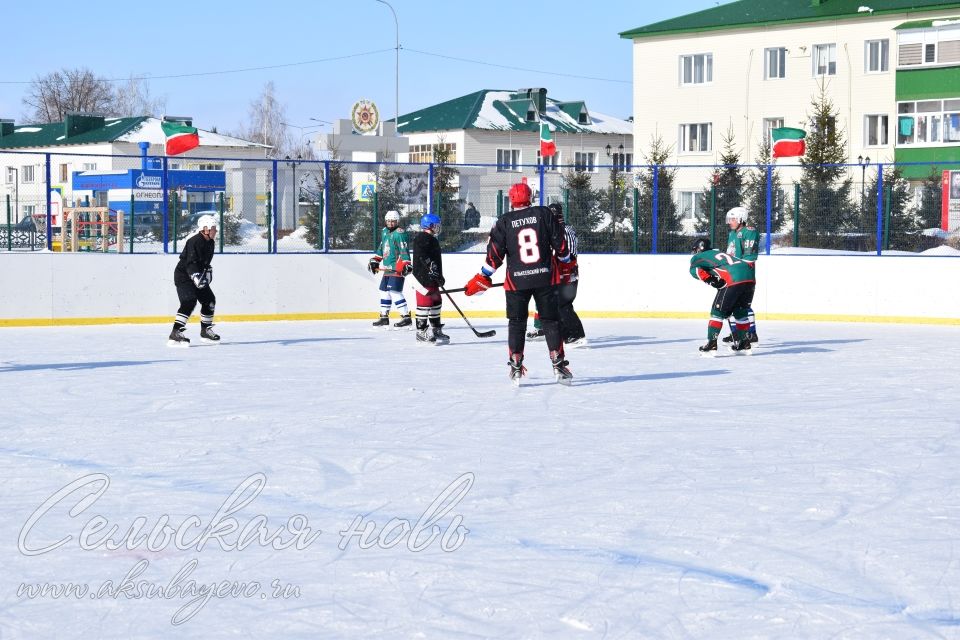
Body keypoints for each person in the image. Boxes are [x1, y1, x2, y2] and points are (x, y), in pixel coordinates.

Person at [464, 181, 574, 385]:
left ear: (511, 200)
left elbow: (495, 255)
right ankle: (558, 365)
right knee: (550, 321)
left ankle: (515, 365)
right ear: (530, 197)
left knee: (517, 323)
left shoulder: (504, 221)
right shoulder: (543, 213)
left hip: (516, 282)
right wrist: (567, 262)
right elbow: (560, 245)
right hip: (545, 278)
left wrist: (483, 276)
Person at [526, 203, 586, 347]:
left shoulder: (566, 231)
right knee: (555, 305)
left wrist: (561, 269)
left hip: (568, 275)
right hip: (556, 275)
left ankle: (576, 335)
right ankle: (565, 334)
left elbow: (569, 256)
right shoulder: (551, 231)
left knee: (563, 305)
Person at [690, 238, 756, 354]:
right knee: (740, 312)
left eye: (695, 250)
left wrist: (712, 280)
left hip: (733, 279)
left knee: (717, 313)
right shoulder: (717, 252)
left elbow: (694, 270)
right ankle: (744, 343)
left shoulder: (698, 257)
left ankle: (711, 344)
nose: (694, 253)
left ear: (699, 248)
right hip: (750, 278)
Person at [168, 215, 220, 346]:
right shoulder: (194, 241)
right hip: (184, 276)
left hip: (198, 276)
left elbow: (204, 261)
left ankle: (205, 331)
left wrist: (207, 270)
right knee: (189, 301)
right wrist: (195, 275)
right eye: (213, 228)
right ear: (205, 229)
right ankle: (175, 333)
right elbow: (190, 262)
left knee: (209, 301)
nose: (216, 230)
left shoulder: (210, 243)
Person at [400, 213, 449, 345]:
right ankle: (421, 332)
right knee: (425, 303)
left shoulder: (432, 239)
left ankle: (436, 329)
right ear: (430, 226)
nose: (438, 228)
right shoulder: (421, 238)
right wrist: (430, 266)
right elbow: (422, 256)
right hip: (423, 278)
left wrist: (439, 275)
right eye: (436, 225)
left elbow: (435, 260)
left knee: (436, 302)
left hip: (432, 278)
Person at [367, 210, 412, 328]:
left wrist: (407, 263)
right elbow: (382, 247)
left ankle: (406, 317)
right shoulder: (384, 232)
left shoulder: (400, 233)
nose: (390, 223)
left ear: (397, 221)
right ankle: (384, 317)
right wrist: (376, 260)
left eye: (393, 221)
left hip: (397, 267)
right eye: (388, 221)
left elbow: (404, 250)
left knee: (394, 292)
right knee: (383, 291)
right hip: (388, 267)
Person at [722, 206, 760, 344]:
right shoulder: (732, 234)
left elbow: (749, 257)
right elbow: (730, 254)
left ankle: (751, 333)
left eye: (732, 219)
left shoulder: (749, 232)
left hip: (744, 275)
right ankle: (737, 333)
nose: (729, 222)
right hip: (733, 274)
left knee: (743, 306)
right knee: (731, 305)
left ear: (741, 219)